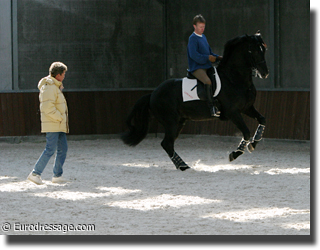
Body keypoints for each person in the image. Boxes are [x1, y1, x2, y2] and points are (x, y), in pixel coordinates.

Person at [27, 62, 69, 185]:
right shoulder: (49, 87)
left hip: (57, 123)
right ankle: (35, 173)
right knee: (50, 149)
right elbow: (47, 107)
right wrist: (59, 117)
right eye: (64, 74)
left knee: (63, 149)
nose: (64, 76)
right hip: (54, 123)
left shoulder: (54, 86)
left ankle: (57, 175)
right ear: (58, 75)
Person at [187, 14, 222, 117]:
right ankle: (211, 107)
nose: (202, 29)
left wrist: (218, 57)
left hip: (207, 65)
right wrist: (207, 58)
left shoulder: (203, 37)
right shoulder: (192, 38)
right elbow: (194, 55)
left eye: (203, 27)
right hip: (197, 67)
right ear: (194, 26)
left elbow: (209, 52)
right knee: (207, 81)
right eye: (200, 27)